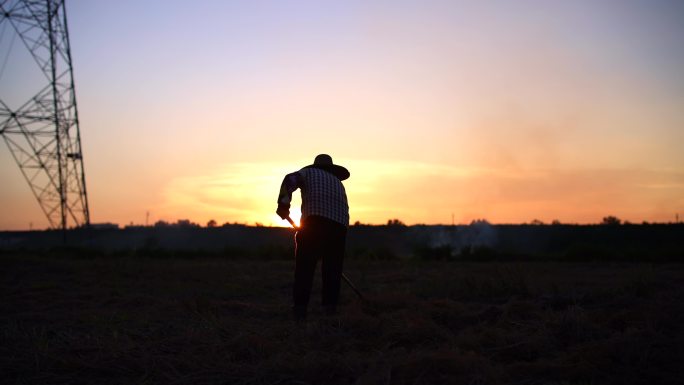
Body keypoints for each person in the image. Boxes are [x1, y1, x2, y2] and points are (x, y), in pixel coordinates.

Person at [276, 154, 350, 321]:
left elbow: (289, 180)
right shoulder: (338, 183)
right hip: (340, 227)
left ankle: (300, 311)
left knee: (305, 268)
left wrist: (283, 205)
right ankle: (330, 312)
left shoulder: (308, 173)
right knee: (332, 270)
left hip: (315, 222)